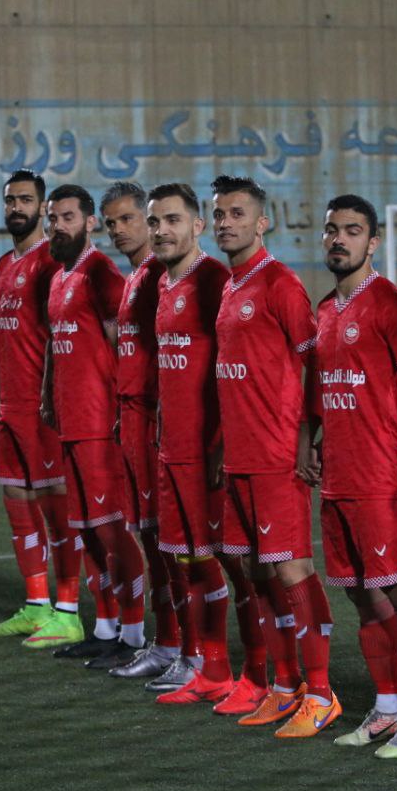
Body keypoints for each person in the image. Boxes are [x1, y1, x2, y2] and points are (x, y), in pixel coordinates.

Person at [301, 194, 397, 758]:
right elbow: (322, 393)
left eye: (352, 230)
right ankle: (389, 706)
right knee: (360, 595)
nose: (339, 239)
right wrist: (311, 443)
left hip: (382, 475)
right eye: (332, 229)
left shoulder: (389, 304)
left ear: (373, 241)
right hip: (337, 477)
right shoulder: (324, 310)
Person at [210, 175, 339, 735]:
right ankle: (285, 687)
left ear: (262, 222)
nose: (226, 223)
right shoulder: (230, 287)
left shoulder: (280, 284)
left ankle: (323, 693)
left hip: (276, 453)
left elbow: (317, 360)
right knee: (256, 571)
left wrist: (310, 436)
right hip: (239, 456)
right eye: (220, 214)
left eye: (237, 213)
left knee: (291, 569)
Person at [143, 183, 247, 708]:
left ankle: (232, 669)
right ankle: (205, 665)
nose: (162, 230)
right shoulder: (164, 282)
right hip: (172, 445)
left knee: (217, 561)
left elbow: (233, 366)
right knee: (184, 559)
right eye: (155, 222)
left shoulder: (214, 282)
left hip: (205, 448)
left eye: (173, 220)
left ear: (197, 226)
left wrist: (221, 443)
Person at [0, 169, 75, 642]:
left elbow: (62, 331)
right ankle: (35, 603)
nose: (16, 208)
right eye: (10, 200)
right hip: (10, 405)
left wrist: (53, 394)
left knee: (56, 509)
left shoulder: (51, 261)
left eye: (25, 200)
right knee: (17, 503)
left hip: (43, 408)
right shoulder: (6, 262)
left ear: (42, 208)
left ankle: (68, 611)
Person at [39, 184, 145, 661]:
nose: (57, 226)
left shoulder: (100, 271)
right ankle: (104, 627)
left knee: (111, 530)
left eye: (67, 217)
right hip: (71, 423)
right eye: (52, 218)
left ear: (88, 222)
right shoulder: (60, 276)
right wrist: (48, 394)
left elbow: (123, 340)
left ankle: (133, 631)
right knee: (84, 529)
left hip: (101, 422)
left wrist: (122, 408)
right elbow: (55, 342)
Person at [102, 182, 184, 683]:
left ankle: (182, 645)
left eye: (129, 219)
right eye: (111, 223)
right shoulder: (134, 276)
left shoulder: (158, 275)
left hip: (157, 421)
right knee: (149, 537)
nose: (120, 230)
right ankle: (168, 642)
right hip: (133, 418)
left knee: (168, 542)